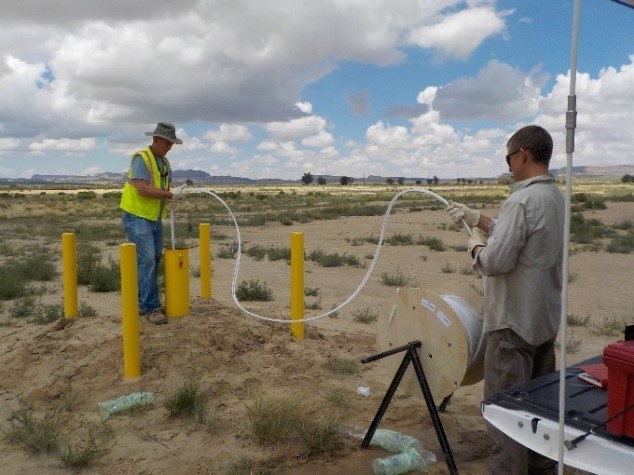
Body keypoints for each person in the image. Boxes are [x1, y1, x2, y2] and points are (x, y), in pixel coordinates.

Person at [447, 125, 565, 475]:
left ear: (523, 154)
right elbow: (518, 234)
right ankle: (541, 466)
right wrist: (477, 219)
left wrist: (476, 249)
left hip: (512, 326)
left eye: (508, 157)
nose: (508, 164)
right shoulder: (555, 197)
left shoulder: (521, 199)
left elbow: (496, 262)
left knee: (505, 414)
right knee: (537, 410)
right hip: (543, 323)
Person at [120, 122, 186, 325]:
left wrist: (173, 196)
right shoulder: (142, 159)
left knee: (154, 259)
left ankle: (145, 302)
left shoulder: (164, 163)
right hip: (137, 216)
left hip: (153, 217)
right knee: (147, 260)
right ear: (156, 140)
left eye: (171, 143)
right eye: (167, 142)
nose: (169, 147)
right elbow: (143, 189)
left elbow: (164, 187)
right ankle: (150, 308)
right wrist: (169, 195)